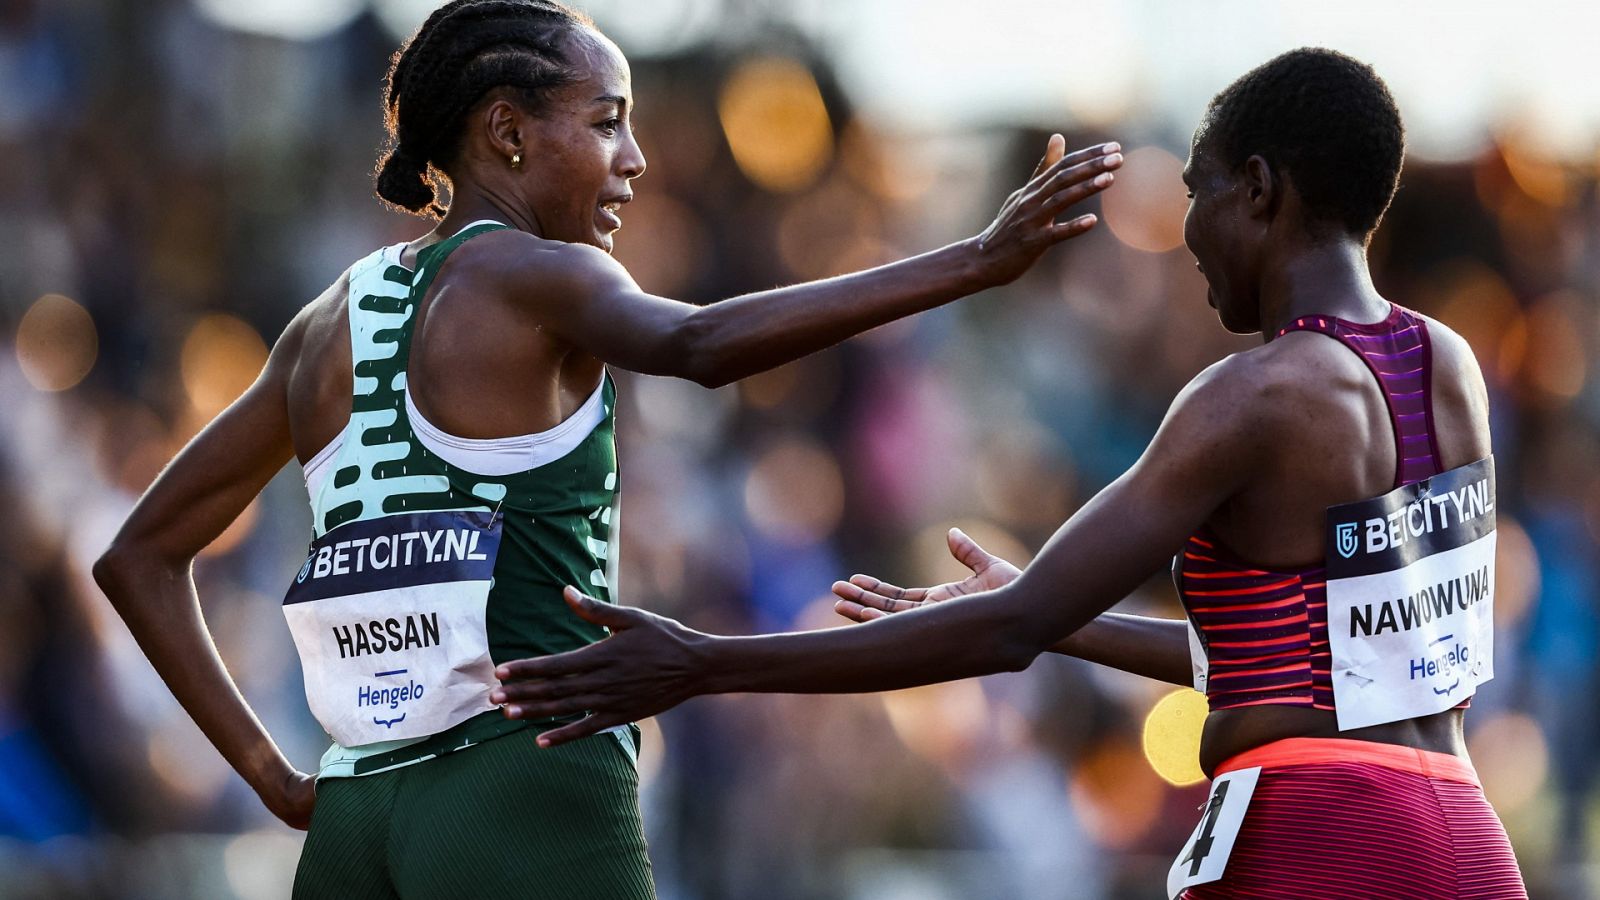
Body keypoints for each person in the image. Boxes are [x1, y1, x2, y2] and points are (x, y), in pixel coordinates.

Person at [89, 0, 1120, 896]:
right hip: (528, 781)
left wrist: (273, 779)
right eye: (607, 123)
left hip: (359, 816)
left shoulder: (321, 328)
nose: (633, 159)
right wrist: (976, 262)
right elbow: (699, 343)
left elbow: (138, 557)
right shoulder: (542, 275)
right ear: (507, 133)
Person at [496, 48, 1528, 897]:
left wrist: (704, 661)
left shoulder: (1252, 395)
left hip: (1315, 841)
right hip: (1465, 839)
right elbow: (1337, 665)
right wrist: (1063, 618)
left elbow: (1007, 629)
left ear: (1258, 191)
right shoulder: (1449, 369)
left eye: (1195, 195)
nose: (1187, 237)